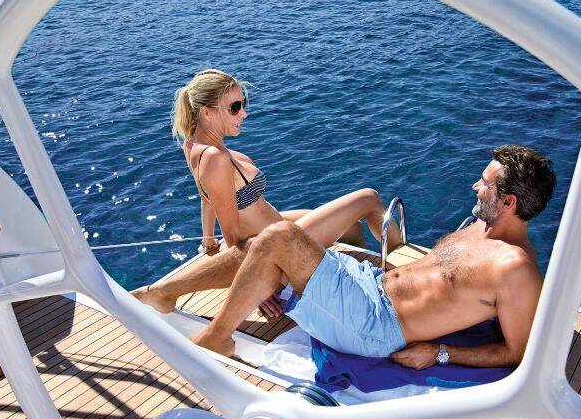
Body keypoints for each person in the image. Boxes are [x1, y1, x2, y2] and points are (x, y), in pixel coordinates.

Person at [178, 145, 556, 369]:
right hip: (367, 283)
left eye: (485, 184)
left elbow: (517, 353)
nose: (475, 186)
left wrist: (440, 353)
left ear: (508, 202)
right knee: (262, 245)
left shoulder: (515, 270)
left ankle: (217, 337)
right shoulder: (479, 226)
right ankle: (165, 293)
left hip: (374, 326)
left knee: (279, 238)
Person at [133, 69, 397, 317]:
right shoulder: (215, 158)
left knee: (352, 228)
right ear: (207, 113)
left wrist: (208, 241)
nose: (243, 114)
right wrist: (257, 285)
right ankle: (402, 263)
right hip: (279, 245)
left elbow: (207, 198)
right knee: (369, 198)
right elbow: (234, 238)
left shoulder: (193, 144)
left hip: (275, 226)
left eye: (243, 103)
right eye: (234, 107)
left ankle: (344, 271)